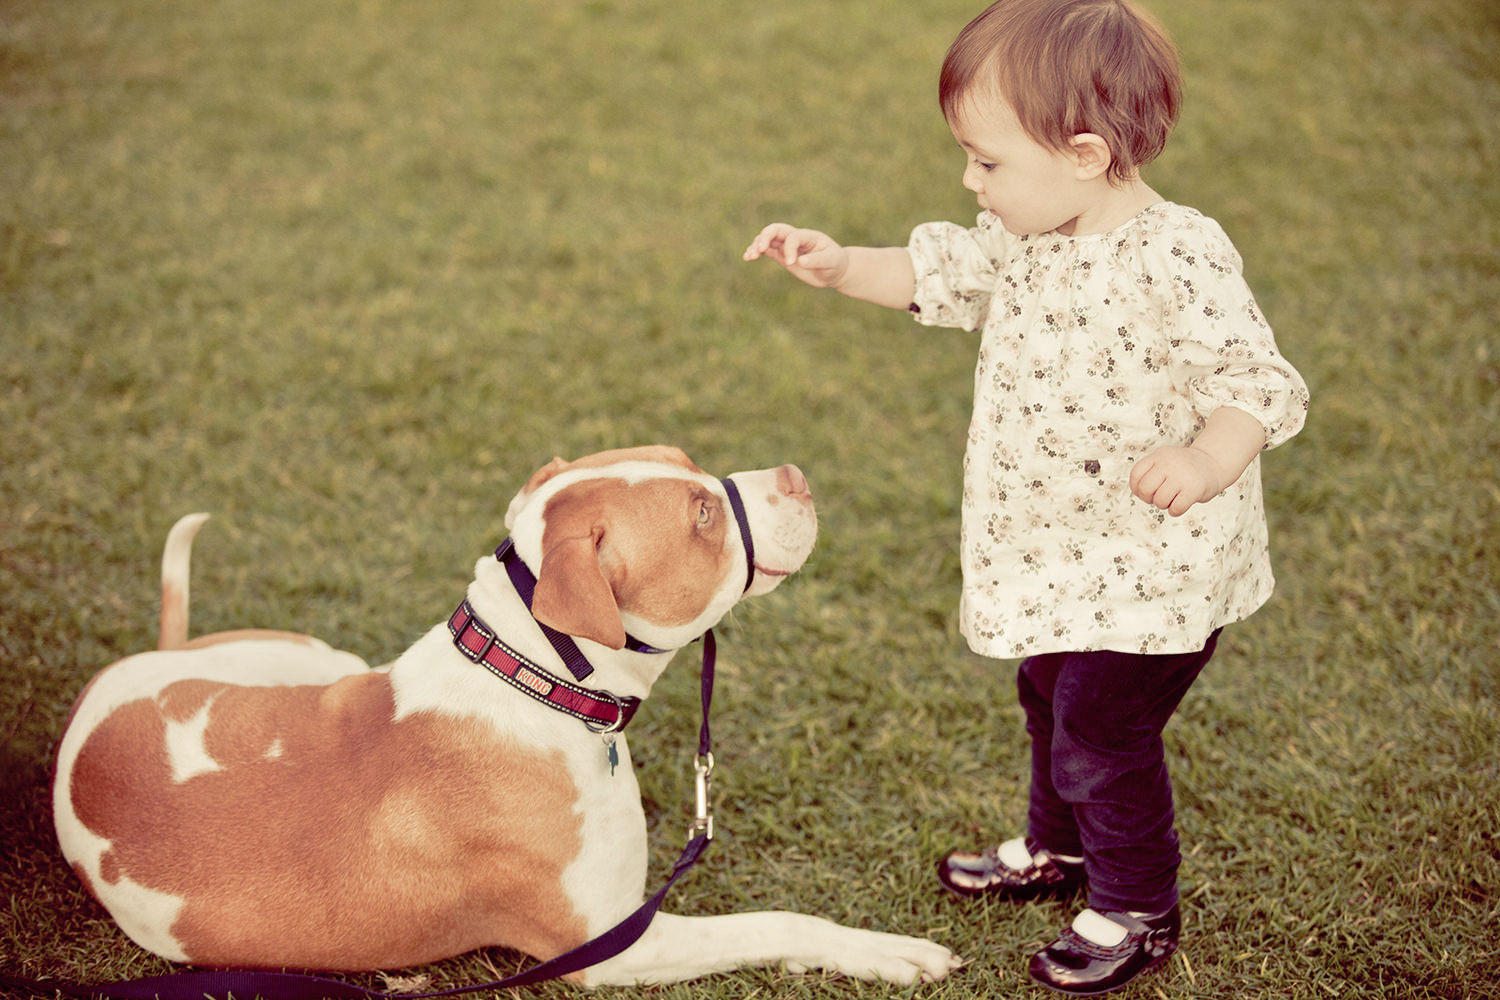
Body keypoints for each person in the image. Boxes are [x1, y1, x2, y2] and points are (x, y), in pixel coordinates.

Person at [743, 0, 1309, 994]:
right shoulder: (1024, 235)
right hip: (1056, 549)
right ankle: (1061, 849)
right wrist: (838, 269)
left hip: (1151, 566)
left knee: (1102, 729)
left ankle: (1135, 901)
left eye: (987, 161)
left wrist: (1207, 461)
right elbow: (934, 271)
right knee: (1047, 696)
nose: (970, 180)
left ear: (1086, 153)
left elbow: (1254, 383)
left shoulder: (1177, 253)